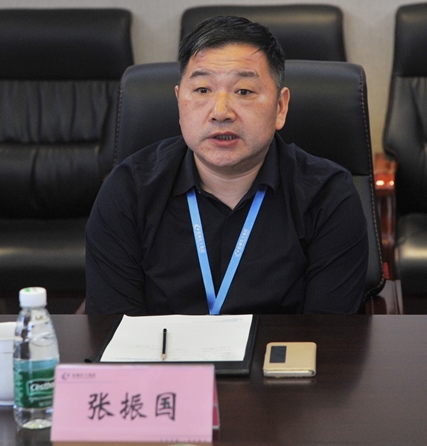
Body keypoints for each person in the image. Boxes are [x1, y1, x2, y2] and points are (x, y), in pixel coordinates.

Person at [85, 16, 368, 315]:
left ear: (280, 107)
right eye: (202, 90)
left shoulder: (328, 197)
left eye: (243, 91)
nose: (220, 112)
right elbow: (115, 330)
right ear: (179, 102)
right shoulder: (128, 191)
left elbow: (328, 334)